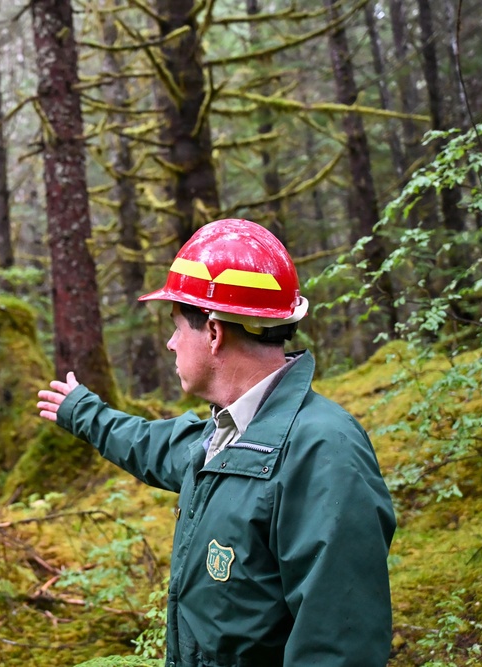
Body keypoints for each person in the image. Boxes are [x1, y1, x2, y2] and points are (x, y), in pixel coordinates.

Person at [37, 219, 396, 667]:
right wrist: (82, 412)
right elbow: (155, 445)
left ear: (213, 331)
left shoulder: (324, 452)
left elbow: (340, 649)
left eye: (176, 327)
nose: (170, 344)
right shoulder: (229, 433)